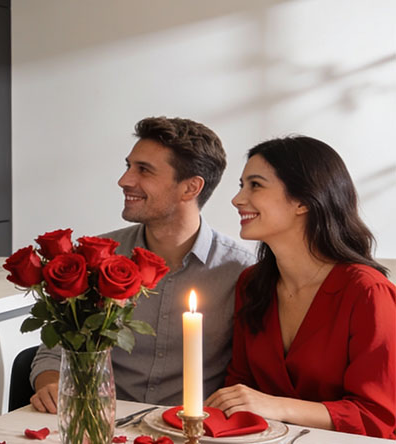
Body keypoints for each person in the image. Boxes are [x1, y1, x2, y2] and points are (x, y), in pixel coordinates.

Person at [29, 117, 256, 413]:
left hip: (191, 428)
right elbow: (53, 354)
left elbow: (252, 374)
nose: (124, 180)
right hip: (101, 421)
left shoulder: (241, 271)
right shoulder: (96, 257)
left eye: (144, 170)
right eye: (129, 166)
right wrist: (51, 385)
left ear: (190, 188)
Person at [206, 136, 395, 438]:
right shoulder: (251, 284)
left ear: (303, 201)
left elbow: (377, 417)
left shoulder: (367, 292)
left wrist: (277, 406)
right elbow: (238, 388)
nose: (237, 199)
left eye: (255, 185)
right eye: (242, 185)